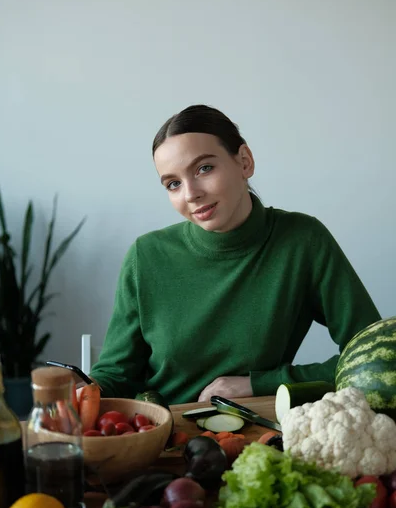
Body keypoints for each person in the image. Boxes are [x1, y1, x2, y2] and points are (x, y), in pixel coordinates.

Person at [88, 104, 381, 405]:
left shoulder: (303, 240)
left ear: (244, 162)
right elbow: (116, 374)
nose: (191, 194)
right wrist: (81, 390)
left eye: (204, 169)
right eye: (173, 184)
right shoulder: (146, 256)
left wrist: (261, 384)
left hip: (258, 433)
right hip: (162, 434)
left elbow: (377, 359)